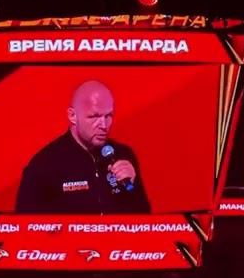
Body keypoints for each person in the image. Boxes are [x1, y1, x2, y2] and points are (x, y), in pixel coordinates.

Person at [15, 80, 151, 214]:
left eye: (108, 115)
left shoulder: (123, 154)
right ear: (72, 116)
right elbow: (26, 224)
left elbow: (144, 220)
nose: (104, 125)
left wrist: (132, 187)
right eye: (94, 116)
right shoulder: (44, 165)